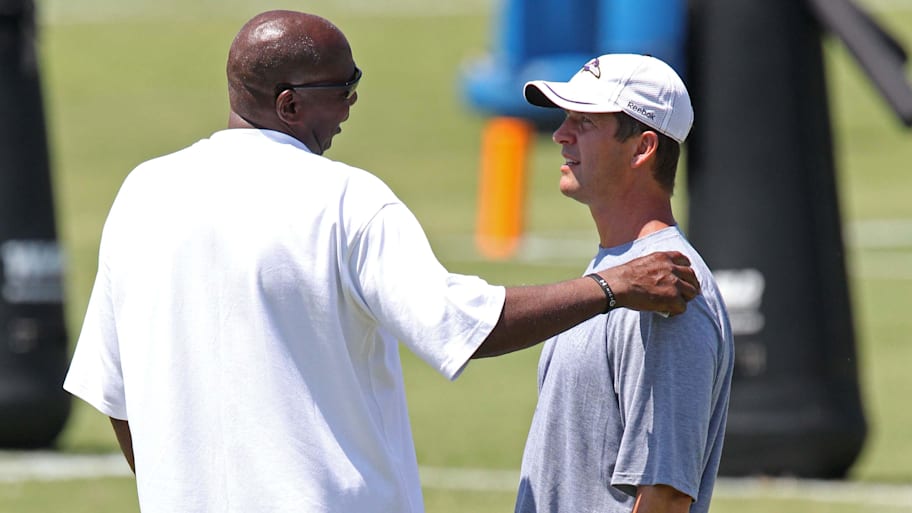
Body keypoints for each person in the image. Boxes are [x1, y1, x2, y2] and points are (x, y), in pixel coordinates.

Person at [62, 12, 700, 513]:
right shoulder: (344, 198)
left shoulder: (142, 193)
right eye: (344, 91)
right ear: (289, 106)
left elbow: (116, 397)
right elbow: (464, 326)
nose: (349, 109)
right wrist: (611, 286)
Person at [514, 54, 734, 513]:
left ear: (642, 148)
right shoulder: (619, 273)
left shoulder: (667, 291)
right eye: (565, 118)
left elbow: (665, 497)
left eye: (585, 122)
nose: (560, 135)